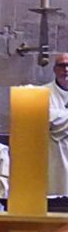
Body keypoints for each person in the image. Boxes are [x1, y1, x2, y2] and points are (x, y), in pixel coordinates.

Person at [47, 54, 68, 196]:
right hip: (55, 157)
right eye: (62, 65)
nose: (66, 69)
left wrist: (60, 116)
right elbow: (47, 120)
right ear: (54, 69)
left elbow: (57, 119)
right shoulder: (42, 94)